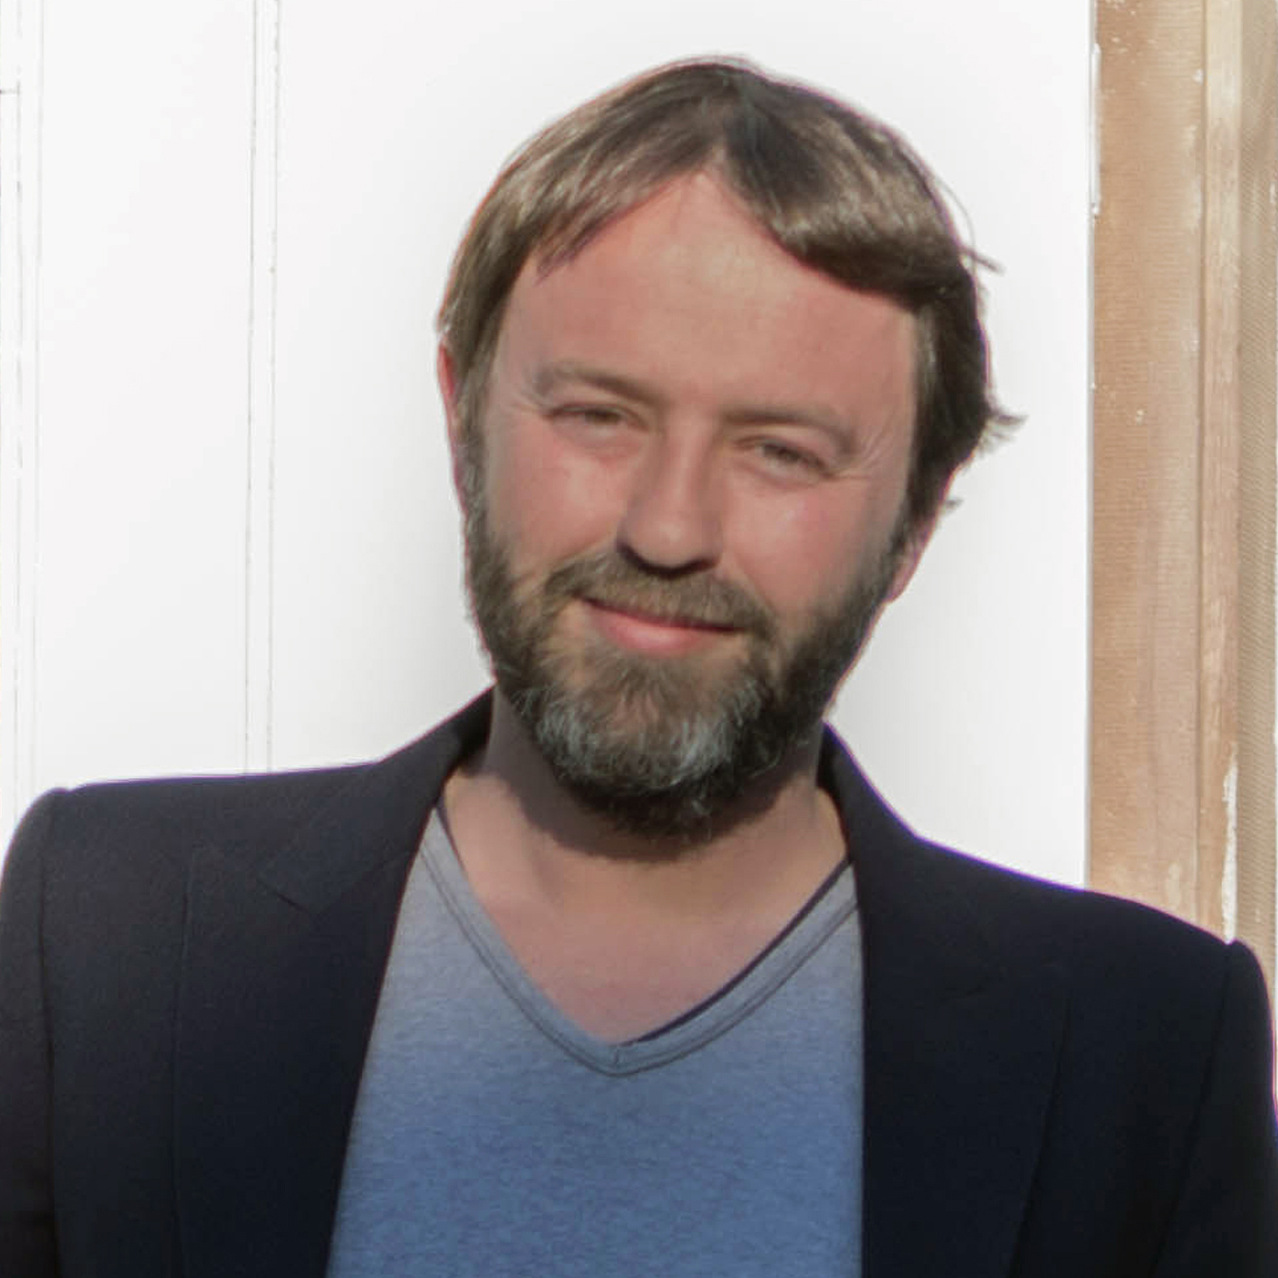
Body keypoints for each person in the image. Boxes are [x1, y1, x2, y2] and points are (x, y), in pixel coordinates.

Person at [1, 58, 1275, 1278]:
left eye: (780, 451)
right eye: (598, 416)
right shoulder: (110, 945)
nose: (668, 529)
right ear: (461, 422)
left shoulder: (1146, 1058)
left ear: (915, 524)